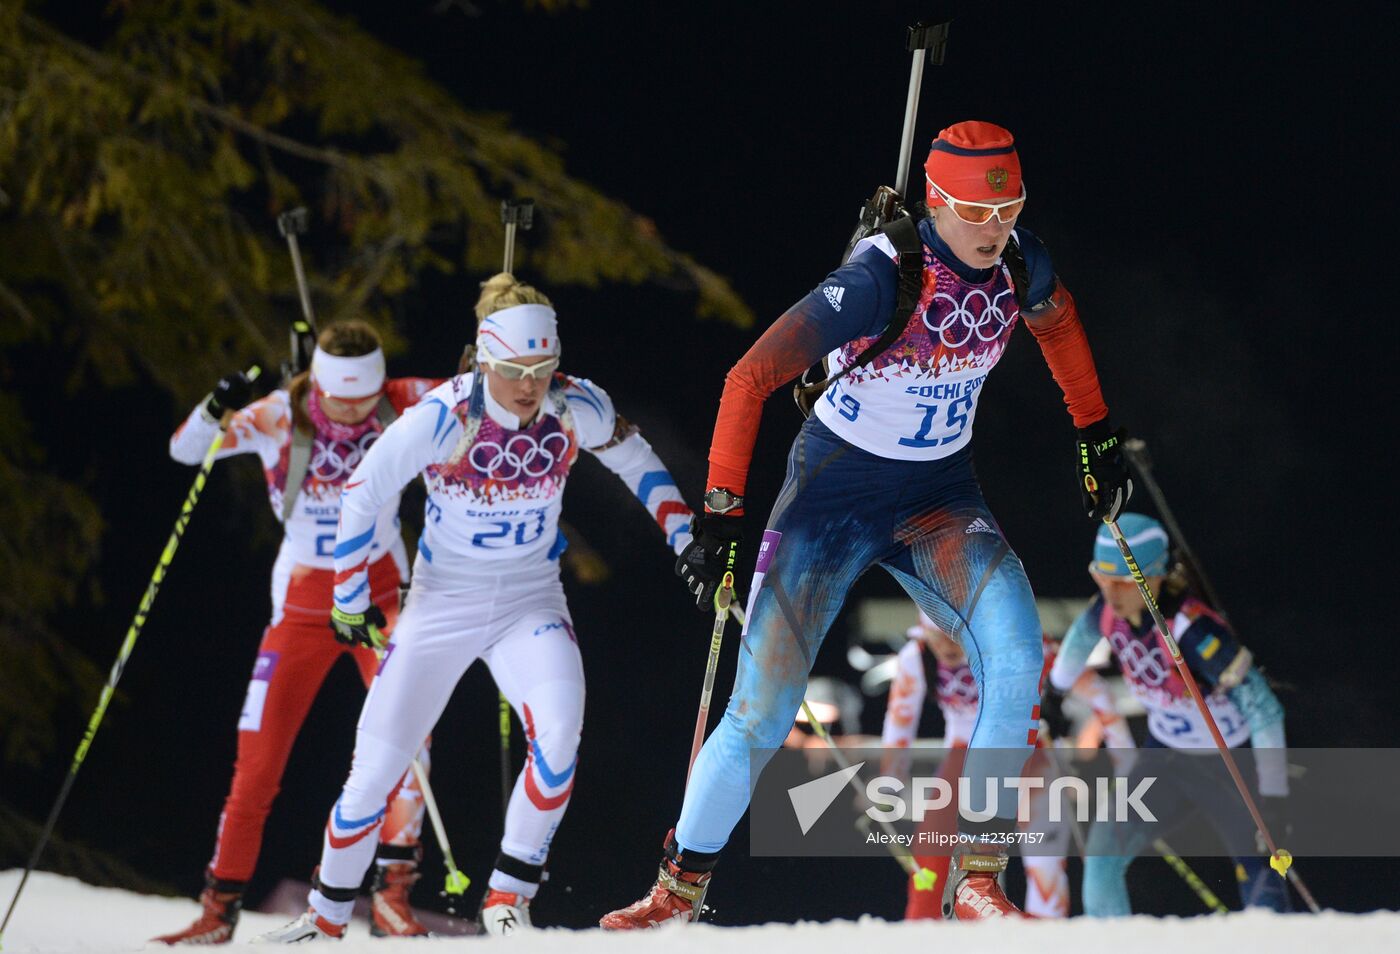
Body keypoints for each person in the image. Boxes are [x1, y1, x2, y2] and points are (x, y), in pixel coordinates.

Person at [601, 120, 1133, 927]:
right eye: (975, 213)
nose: (995, 230)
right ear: (936, 202)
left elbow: (1056, 323)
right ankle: (679, 891)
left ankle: (978, 881)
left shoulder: (1022, 259)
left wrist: (1094, 433)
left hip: (940, 501)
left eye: (1008, 209)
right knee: (763, 710)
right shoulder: (884, 276)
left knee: (1018, 657)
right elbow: (749, 379)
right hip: (831, 500)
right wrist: (720, 516)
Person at [254, 274, 694, 942]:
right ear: (484, 359)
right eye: (515, 370)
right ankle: (324, 918)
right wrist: (347, 594)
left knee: (558, 743)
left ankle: (507, 900)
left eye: (542, 369)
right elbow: (361, 493)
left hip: (529, 602)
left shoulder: (575, 404)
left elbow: (637, 461)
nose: (529, 385)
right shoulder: (444, 415)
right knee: (373, 772)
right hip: (441, 605)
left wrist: (686, 536)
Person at [155, 322, 438, 944]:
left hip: (380, 596)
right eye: (340, 402)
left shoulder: (403, 397)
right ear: (318, 385)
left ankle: (392, 896)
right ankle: (218, 905)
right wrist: (215, 404)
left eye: (364, 402)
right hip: (302, 608)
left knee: (409, 743)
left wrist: (485, 356)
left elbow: (490, 396)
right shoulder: (277, 414)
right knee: (256, 762)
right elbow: (184, 449)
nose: (352, 415)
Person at [1041, 513, 1292, 916]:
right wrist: (1053, 692)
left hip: (1227, 766)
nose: (1111, 592)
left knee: (1260, 869)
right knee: (1103, 853)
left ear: (1154, 576)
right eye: (1101, 579)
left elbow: (1264, 708)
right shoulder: (1108, 611)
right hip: (1164, 760)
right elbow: (1080, 641)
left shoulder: (1191, 630)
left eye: (1123, 582)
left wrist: (1274, 797)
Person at [883, 608, 1133, 919]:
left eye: (956, 639)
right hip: (963, 761)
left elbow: (1099, 693)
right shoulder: (917, 657)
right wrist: (889, 782)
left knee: (1043, 865)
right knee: (932, 852)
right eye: (936, 637)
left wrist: (1128, 763)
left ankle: (1044, 938)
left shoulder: (1019, 648)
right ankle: (924, 934)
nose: (946, 648)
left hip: (1030, 759)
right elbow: (899, 723)